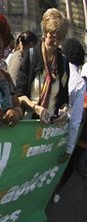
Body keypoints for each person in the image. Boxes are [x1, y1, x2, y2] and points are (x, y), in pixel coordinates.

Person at [15, 8, 69, 125]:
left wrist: (64, 111)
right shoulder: (31, 56)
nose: (55, 42)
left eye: (59, 39)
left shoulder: (63, 62)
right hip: (29, 123)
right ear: (44, 33)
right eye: (52, 37)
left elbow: (64, 99)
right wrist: (37, 109)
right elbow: (19, 95)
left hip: (50, 127)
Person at [53, 38, 86, 203]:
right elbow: (75, 122)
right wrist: (69, 149)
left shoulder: (54, 66)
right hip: (62, 133)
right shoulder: (79, 82)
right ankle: (54, 192)